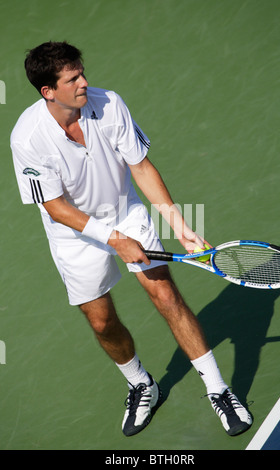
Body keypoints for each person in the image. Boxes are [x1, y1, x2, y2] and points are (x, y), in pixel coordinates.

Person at [10, 41, 252, 437]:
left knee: (165, 295)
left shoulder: (109, 104)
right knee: (102, 322)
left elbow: (139, 167)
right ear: (48, 91)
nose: (85, 82)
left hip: (125, 210)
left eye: (82, 72)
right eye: (73, 79)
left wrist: (179, 223)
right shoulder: (27, 138)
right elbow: (55, 206)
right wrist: (114, 240)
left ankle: (218, 388)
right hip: (74, 234)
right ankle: (141, 383)